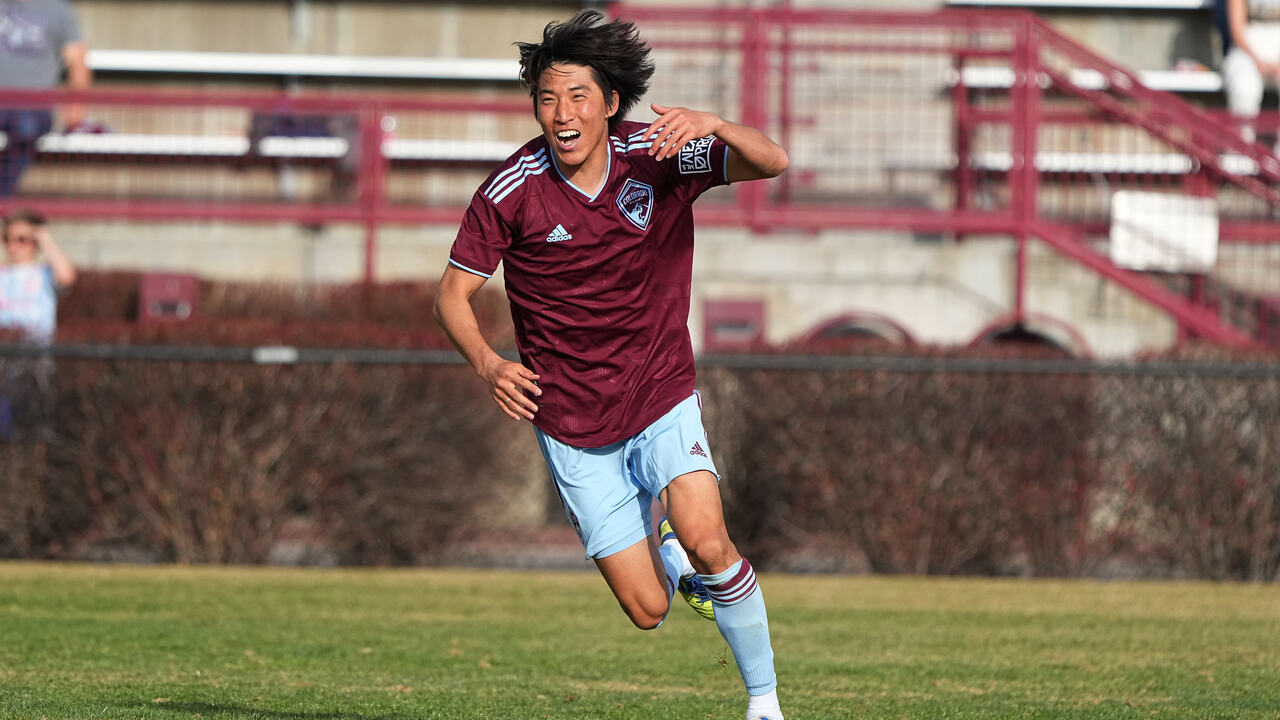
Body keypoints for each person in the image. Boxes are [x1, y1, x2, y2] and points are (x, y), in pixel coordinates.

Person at [433, 10, 789, 720]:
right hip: (569, 421)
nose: (560, 114)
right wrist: (486, 361)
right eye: (546, 98)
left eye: (576, 97)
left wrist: (715, 124)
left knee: (711, 540)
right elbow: (452, 294)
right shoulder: (511, 191)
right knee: (649, 609)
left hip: (660, 393)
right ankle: (663, 544)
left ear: (610, 103)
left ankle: (764, 702)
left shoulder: (659, 154)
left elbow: (771, 160)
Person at [0, 0, 92, 197]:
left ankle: (3, 196)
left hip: (32, 106)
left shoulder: (56, 8)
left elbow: (77, 58)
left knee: (26, 130)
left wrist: (76, 106)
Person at [0, 208, 75, 441]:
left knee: (35, 421)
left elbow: (67, 276)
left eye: (22, 239)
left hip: (36, 358)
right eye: (8, 239)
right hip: (4, 358)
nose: (13, 246)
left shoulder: (44, 273)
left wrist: (45, 239)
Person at [1221, 0, 1280, 147]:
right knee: (1245, 88)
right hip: (1246, 49)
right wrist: (1258, 61)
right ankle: (1243, 152)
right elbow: (1237, 29)